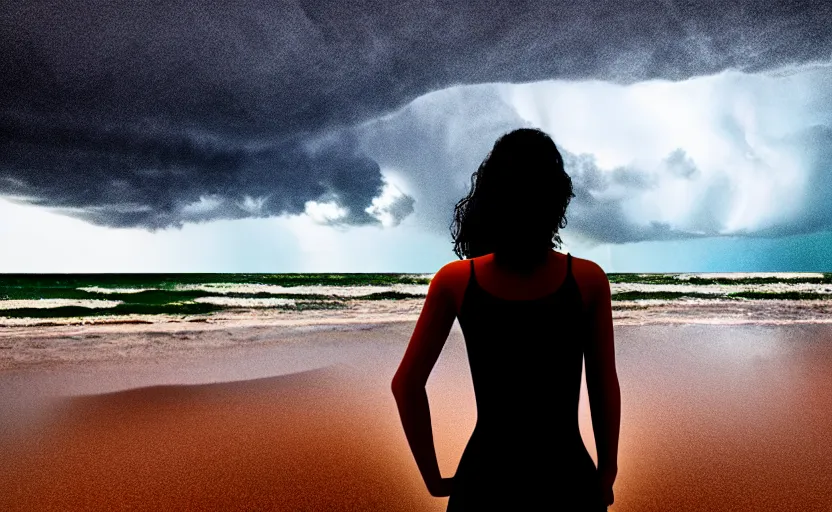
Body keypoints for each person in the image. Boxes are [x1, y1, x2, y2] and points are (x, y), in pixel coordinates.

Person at [391, 128, 621, 510]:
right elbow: (602, 386)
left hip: (484, 479)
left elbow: (406, 385)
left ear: (492, 194)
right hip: (566, 479)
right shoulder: (587, 279)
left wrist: (432, 478)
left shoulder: (455, 280)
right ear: (556, 196)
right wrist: (606, 472)